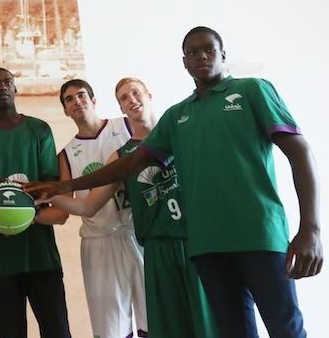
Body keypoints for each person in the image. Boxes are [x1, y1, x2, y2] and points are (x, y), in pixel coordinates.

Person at [30, 27, 323, 338]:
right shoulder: (178, 116)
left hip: (260, 236)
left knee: (286, 328)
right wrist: (62, 187)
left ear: (223, 54)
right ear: (184, 62)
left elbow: (300, 152)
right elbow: (129, 164)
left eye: (209, 49)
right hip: (208, 247)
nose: (202, 56)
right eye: (193, 52)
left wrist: (311, 230)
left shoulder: (253, 91)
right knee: (234, 332)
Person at [49, 77, 218, 337]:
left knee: (186, 318)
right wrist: (42, 196)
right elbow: (86, 205)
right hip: (111, 239)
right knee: (117, 327)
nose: (131, 101)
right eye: (69, 99)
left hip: (150, 234)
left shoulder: (143, 128)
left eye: (81, 95)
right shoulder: (82, 154)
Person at [0, 67, 71, 338]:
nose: (2, 86)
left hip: (40, 252)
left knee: (57, 330)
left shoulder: (39, 129)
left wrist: (20, 205)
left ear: (16, 89)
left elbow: (50, 182)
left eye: (7, 82)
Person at [51, 79, 147, 338]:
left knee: (155, 321)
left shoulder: (126, 126)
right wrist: (34, 202)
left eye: (81, 95)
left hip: (140, 234)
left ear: (94, 100)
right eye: (69, 99)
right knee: (111, 331)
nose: (76, 101)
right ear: (65, 110)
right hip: (99, 242)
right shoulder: (66, 154)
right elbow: (64, 211)